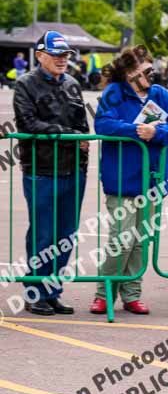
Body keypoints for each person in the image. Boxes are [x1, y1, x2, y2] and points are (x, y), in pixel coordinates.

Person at [89, 46, 168, 315]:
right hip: (121, 180)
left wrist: (157, 131)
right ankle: (105, 291)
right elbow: (103, 125)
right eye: (143, 69)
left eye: (149, 68)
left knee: (140, 241)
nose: (149, 73)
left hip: (153, 180)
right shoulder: (114, 93)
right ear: (129, 73)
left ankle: (132, 293)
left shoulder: (160, 94)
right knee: (121, 239)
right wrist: (136, 130)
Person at [12, 31, 90, 315]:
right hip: (42, 170)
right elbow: (30, 124)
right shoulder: (25, 85)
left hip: (73, 170)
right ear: (40, 55)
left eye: (65, 55)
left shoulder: (72, 83)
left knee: (66, 235)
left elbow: (82, 124)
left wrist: (82, 146)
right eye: (56, 54)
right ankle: (35, 291)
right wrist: (71, 136)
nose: (62, 60)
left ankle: (53, 290)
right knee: (44, 234)